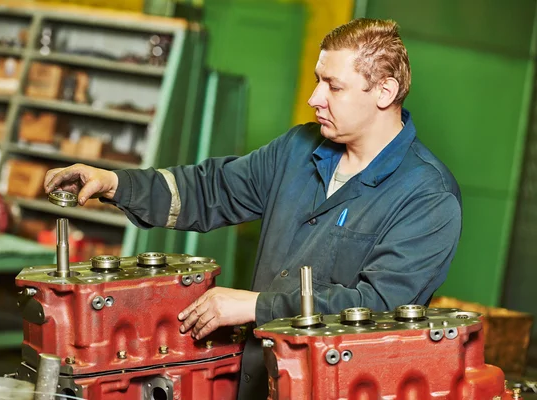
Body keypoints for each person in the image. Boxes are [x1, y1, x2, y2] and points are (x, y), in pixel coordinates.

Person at [44, 18, 462, 399]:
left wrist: (255, 307)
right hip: (257, 379)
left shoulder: (427, 196)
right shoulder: (299, 148)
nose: (315, 98)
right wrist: (116, 183)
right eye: (318, 81)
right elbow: (212, 189)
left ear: (385, 92)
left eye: (334, 87)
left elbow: (379, 308)